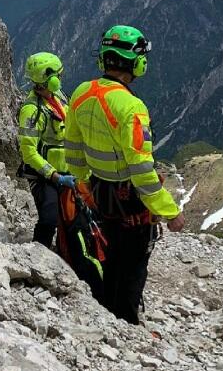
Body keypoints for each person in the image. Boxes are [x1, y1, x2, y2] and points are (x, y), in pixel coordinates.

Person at [63, 25, 185, 324]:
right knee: (132, 263)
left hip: (98, 190)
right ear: (135, 62)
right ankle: (126, 322)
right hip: (128, 196)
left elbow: (73, 148)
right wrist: (169, 212)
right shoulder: (132, 107)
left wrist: (82, 185)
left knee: (108, 251)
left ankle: (104, 308)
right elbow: (142, 169)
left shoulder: (81, 93)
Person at [17, 52, 75, 248]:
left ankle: (64, 252)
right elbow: (29, 153)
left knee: (70, 218)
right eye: (58, 75)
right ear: (48, 77)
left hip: (66, 170)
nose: (60, 78)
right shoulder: (31, 110)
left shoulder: (59, 97)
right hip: (43, 176)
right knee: (49, 218)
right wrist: (54, 176)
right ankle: (37, 254)